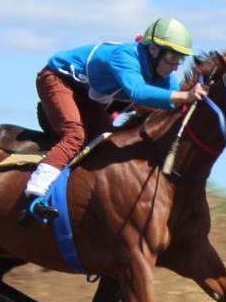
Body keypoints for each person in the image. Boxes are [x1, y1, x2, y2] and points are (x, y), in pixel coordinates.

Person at [20, 17, 209, 224]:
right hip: (57, 79)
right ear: (154, 50)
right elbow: (138, 92)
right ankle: (34, 195)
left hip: (84, 95)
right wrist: (185, 96)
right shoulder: (125, 56)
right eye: (173, 56)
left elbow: (176, 104)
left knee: (106, 141)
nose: (175, 66)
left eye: (180, 59)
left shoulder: (161, 75)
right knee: (75, 135)